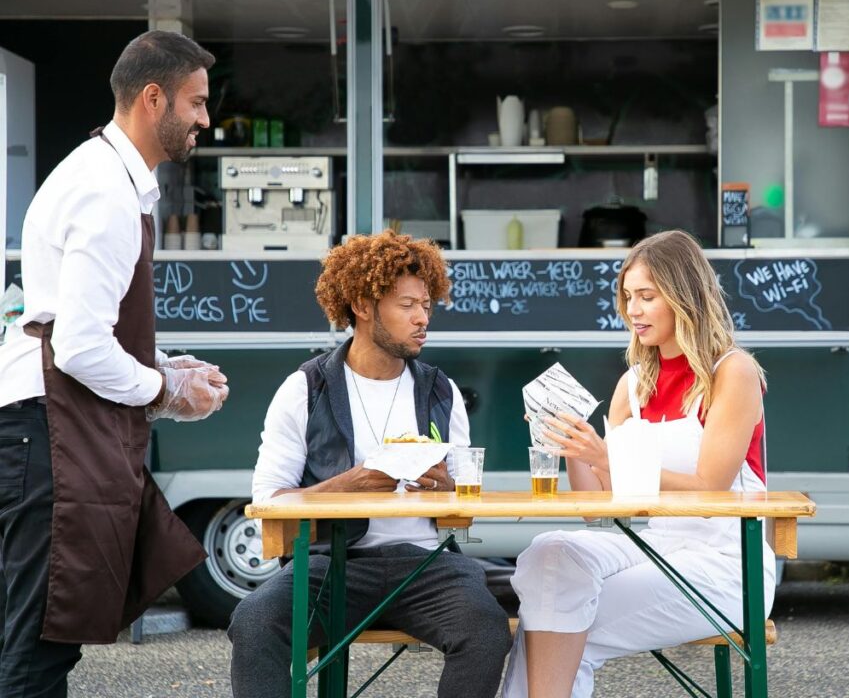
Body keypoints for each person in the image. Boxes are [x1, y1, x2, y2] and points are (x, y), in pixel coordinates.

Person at [0, 29, 230, 697]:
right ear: (152, 97)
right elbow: (76, 346)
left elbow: (81, 326)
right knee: (38, 647)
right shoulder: (106, 192)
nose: (204, 120)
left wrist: (166, 365)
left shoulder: (104, 175)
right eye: (196, 103)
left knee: (36, 639)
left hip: (45, 426)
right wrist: (166, 390)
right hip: (49, 434)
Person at [228, 230, 512, 698]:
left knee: (484, 629)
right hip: (332, 564)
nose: (423, 319)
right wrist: (350, 485)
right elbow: (268, 501)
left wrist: (445, 486)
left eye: (427, 305)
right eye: (407, 306)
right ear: (362, 305)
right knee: (256, 621)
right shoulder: (305, 388)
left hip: (424, 565)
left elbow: (464, 506)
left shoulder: (441, 390)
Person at [502, 230, 773, 698]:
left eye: (647, 297)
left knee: (551, 622)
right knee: (552, 554)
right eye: (628, 297)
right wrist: (571, 442)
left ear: (684, 297)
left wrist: (608, 454)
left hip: (726, 563)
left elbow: (710, 488)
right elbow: (594, 507)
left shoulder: (733, 372)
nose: (633, 311)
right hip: (656, 546)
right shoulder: (633, 383)